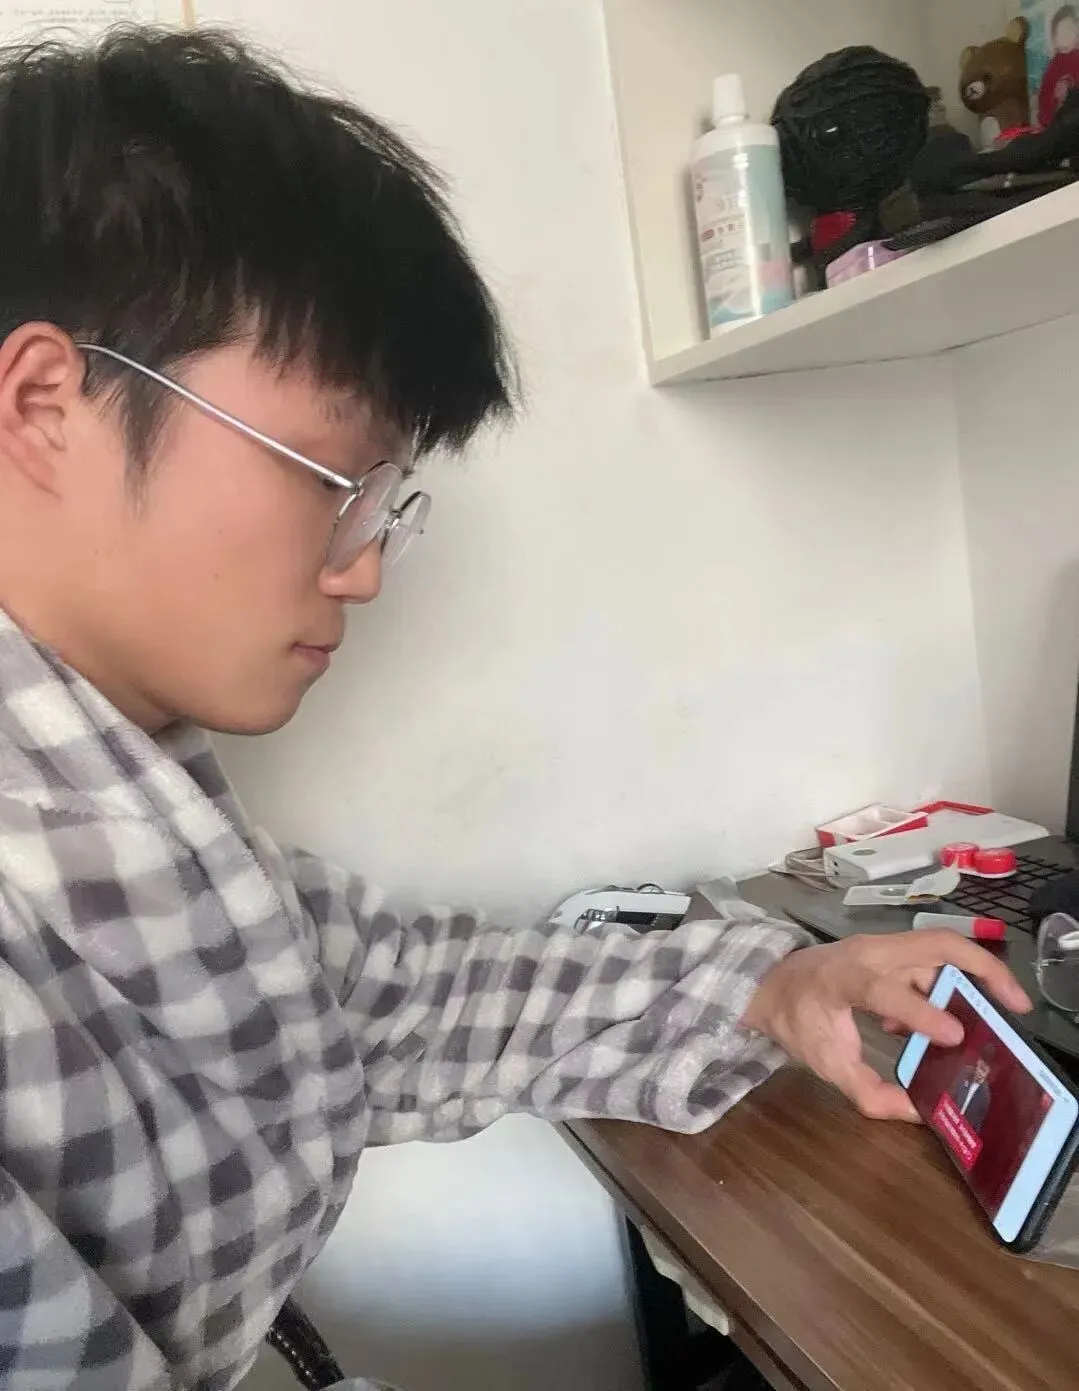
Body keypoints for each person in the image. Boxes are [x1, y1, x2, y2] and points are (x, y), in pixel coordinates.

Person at [0, 27, 1031, 1391]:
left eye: (384, 500)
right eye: (332, 477)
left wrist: (771, 983)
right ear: (47, 406)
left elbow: (399, 996)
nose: (363, 566)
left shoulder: (123, 811)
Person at [1038, 5, 1079, 129]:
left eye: (1068, 31)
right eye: (1058, 33)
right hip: (1057, 127)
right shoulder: (1054, 65)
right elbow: (1044, 100)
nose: (1063, 37)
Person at [948, 1044, 997, 1134]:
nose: (981, 1074)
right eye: (981, 1068)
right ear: (978, 1062)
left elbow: (977, 1126)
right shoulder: (964, 1072)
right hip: (947, 1122)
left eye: (985, 1071)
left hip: (961, 1134)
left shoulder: (986, 1096)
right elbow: (950, 1097)